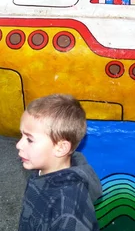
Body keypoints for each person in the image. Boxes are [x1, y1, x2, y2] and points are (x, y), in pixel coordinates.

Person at [16, 94, 102, 231]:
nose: (18, 145)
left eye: (29, 139)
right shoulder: (41, 171)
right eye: (21, 135)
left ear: (61, 148)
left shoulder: (68, 207)